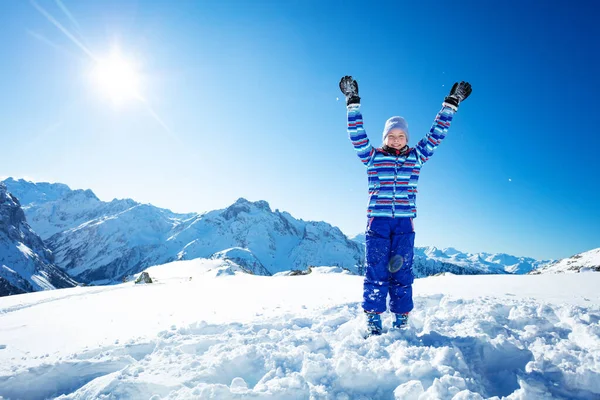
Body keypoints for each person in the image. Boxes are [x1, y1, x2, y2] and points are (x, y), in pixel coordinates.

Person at [339, 76, 472, 336]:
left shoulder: (416, 157)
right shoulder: (372, 157)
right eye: (392, 135)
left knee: (401, 272)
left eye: (401, 136)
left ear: (406, 138)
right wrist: (352, 102)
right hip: (377, 222)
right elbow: (357, 136)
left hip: (404, 224)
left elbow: (436, 135)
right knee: (376, 270)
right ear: (385, 137)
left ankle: (401, 318)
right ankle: (374, 317)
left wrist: (451, 103)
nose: (397, 140)